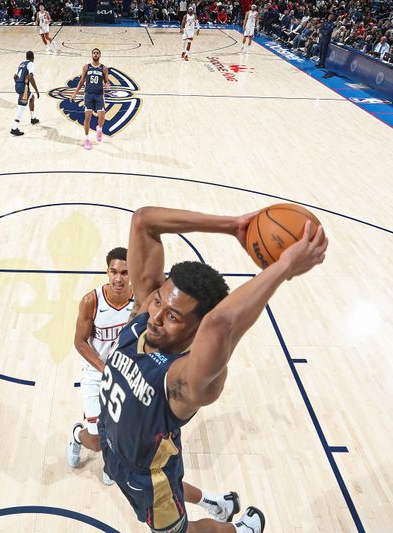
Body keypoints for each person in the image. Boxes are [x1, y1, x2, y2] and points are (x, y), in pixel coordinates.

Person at [98, 206, 328, 532]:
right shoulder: (145, 314)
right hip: (113, 444)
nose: (156, 317)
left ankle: (238, 529)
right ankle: (216, 502)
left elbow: (220, 323)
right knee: (175, 479)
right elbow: (144, 221)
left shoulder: (186, 380)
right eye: (160, 300)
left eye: (174, 316)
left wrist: (285, 265)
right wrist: (232, 224)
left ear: (196, 329)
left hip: (151, 480)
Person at [66, 247, 134, 485]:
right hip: (98, 372)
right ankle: (77, 435)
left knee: (121, 432)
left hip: (126, 374)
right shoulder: (91, 301)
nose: (118, 278)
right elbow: (79, 341)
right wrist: (105, 369)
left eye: (124, 272)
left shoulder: (141, 301)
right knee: (95, 441)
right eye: (114, 271)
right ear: (107, 271)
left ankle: (111, 463)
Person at [71, 48, 109, 150]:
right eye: (94, 53)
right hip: (88, 94)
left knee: (102, 117)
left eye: (97, 53)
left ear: (100, 55)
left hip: (99, 95)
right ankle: (86, 139)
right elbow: (81, 81)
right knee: (87, 117)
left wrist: (107, 85)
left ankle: (99, 129)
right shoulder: (86, 67)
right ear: (92, 55)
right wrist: (75, 93)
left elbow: (106, 81)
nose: (95, 54)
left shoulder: (104, 68)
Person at [11, 51, 40, 136]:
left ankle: (33, 118)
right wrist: (37, 90)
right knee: (21, 108)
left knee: (32, 98)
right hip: (24, 88)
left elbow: (15, 76)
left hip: (18, 85)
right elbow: (31, 77)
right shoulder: (31, 64)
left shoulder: (21, 64)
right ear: (33, 58)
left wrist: (19, 84)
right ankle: (14, 128)